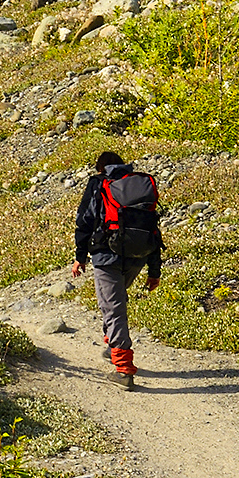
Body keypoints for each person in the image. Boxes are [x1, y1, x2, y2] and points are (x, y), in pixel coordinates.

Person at [71, 148, 161, 389]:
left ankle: (123, 369)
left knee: (114, 307)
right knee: (114, 302)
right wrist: (154, 270)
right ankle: (113, 345)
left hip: (106, 254)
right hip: (138, 254)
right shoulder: (139, 185)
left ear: (100, 168)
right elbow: (152, 227)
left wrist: (80, 256)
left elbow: (85, 220)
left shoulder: (99, 183)